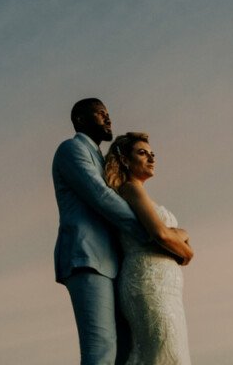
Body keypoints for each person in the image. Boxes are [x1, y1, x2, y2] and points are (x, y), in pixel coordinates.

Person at [52, 98, 138, 365]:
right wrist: (150, 231)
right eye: (101, 114)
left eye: (108, 113)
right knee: (101, 350)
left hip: (115, 263)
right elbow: (100, 196)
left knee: (125, 350)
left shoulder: (104, 160)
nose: (108, 118)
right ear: (80, 119)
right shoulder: (71, 149)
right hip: (87, 257)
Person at [104, 131, 195, 365]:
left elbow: (165, 234)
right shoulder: (130, 189)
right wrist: (186, 247)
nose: (151, 158)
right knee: (163, 355)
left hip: (167, 288)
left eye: (152, 154)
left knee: (171, 355)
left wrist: (180, 234)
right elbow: (160, 234)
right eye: (142, 153)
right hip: (148, 284)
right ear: (125, 160)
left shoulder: (141, 194)